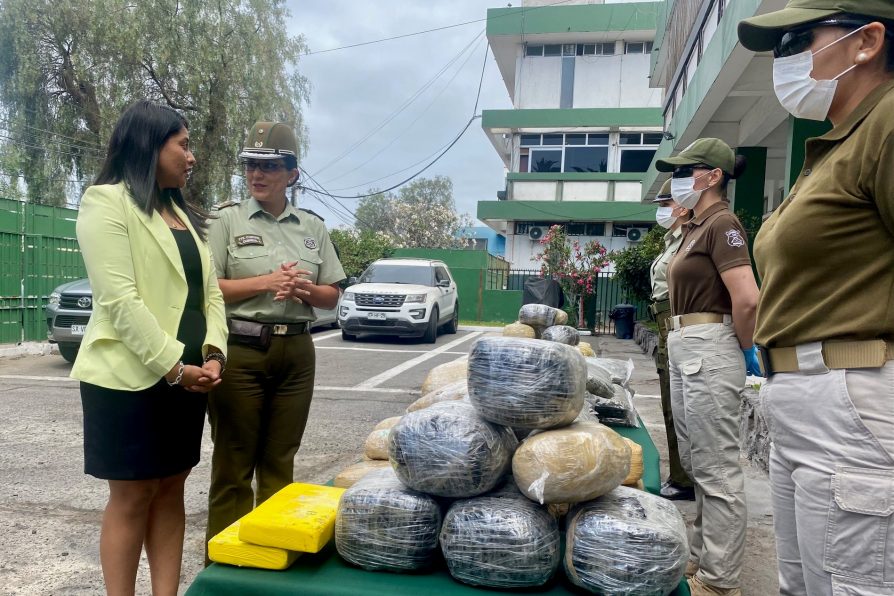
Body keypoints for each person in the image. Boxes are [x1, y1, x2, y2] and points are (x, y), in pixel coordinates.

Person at [738, 3, 894, 594]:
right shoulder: (832, 143)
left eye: (799, 39)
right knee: (800, 584)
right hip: (803, 399)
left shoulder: (888, 123)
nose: (785, 60)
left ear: (867, 41)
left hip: (855, 394)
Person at [71, 100, 228, 596]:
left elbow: (212, 293)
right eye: (183, 144)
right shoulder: (106, 201)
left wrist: (214, 353)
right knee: (133, 495)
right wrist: (173, 368)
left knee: (172, 487)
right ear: (149, 145)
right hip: (129, 377)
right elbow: (119, 301)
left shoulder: (179, 210)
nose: (192, 156)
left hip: (189, 377)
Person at [205, 121, 346, 558]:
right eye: (250, 165)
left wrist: (305, 290)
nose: (256, 175)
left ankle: (270, 554)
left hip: (297, 351)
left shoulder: (312, 227)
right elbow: (210, 288)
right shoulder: (225, 220)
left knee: (280, 458)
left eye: (268, 166)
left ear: (292, 173)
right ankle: (227, 561)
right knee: (234, 460)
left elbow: (332, 294)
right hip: (242, 349)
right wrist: (267, 281)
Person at [656, 138, 761, 596]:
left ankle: (720, 581)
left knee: (717, 469)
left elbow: (748, 297)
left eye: (687, 170)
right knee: (699, 463)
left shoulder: (722, 223)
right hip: (685, 342)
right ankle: (700, 558)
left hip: (710, 343)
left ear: (712, 176)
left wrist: (741, 347)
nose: (678, 180)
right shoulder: (696, 226)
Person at [648, 178, 695, 502]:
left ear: (680, 205)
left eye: (665, 205)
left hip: (677, 320)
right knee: (669, 406)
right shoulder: (672, 240)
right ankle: (679, 474)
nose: (662, 211)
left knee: (677, 408)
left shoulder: (689, 239)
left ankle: (684, 479)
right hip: (663, 322)